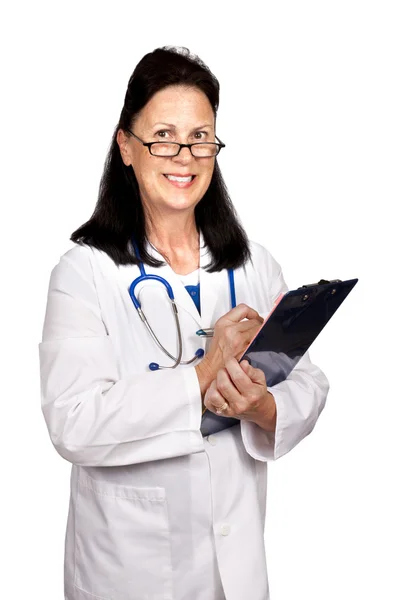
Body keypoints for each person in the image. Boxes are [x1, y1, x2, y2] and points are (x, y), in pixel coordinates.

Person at [39, 45, 329, 600]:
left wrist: (263, 407)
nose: (185, 155)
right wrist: (201, 377)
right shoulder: (85, 273)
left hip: (237, 570)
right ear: (126, 146)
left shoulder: (252, 264)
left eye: (201, 137)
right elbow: (71, 422)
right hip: (128, 571)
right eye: (164, 136)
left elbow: (309, 383)